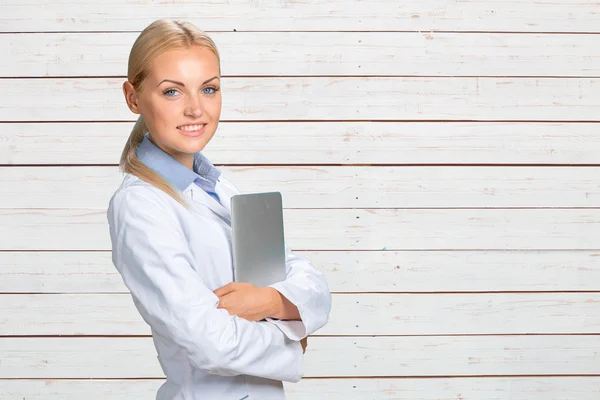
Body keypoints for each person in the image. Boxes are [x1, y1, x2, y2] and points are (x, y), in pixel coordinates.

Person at [106, 19, 332, 400]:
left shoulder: (219, 188)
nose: (196, 109)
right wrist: (293, 340)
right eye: (172, 91)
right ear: (133, 97)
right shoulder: (140, 205)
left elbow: (314, 285)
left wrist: (271, 300)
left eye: (208, 89)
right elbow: (209, 341)